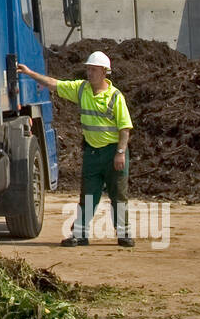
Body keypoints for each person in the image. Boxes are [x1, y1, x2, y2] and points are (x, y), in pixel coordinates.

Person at [17, 51, 134, 247]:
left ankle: (124, 234)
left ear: (105, 72)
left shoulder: (116, 97)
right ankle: (80, 235)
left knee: (119, 196)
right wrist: (30, 73)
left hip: (113, 153)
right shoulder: (81, 89)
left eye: (94, 70)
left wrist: (120, 153)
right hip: (92, 153)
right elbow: (54, 83)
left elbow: (125, 128)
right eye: (88, 69)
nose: (89, 73)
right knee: (88, 196)